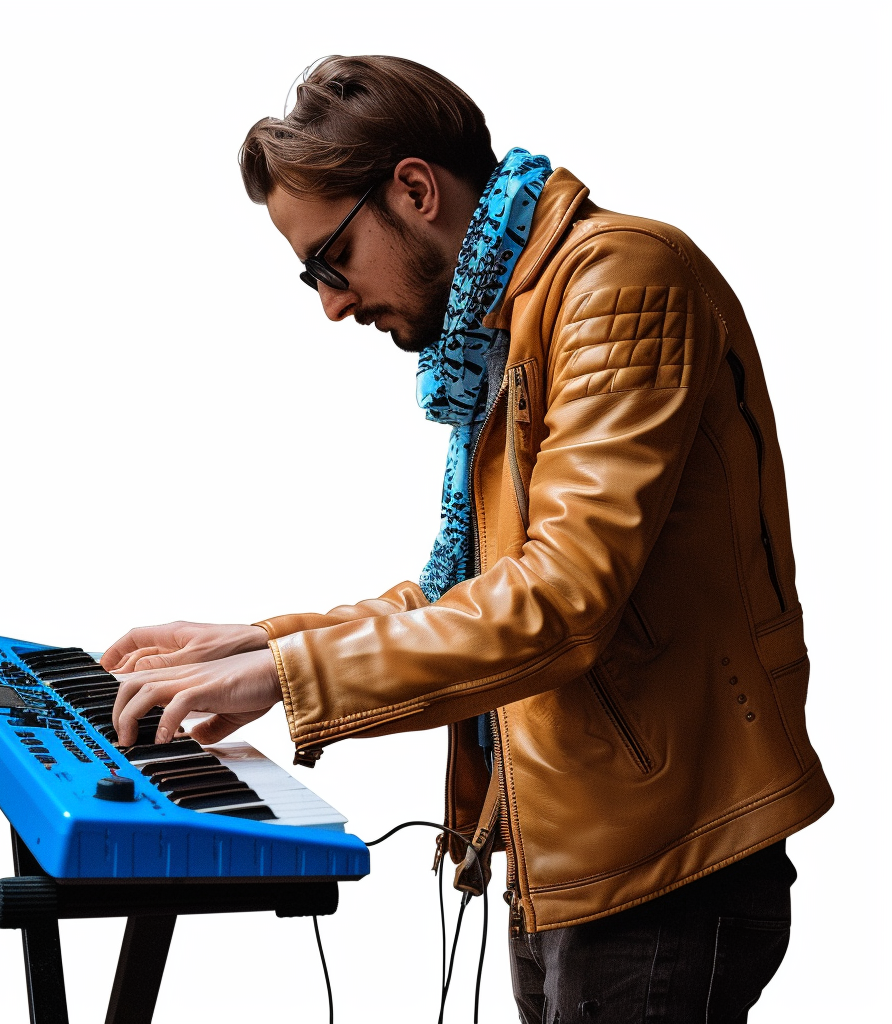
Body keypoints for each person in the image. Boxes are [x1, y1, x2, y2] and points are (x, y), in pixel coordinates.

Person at [105, 55, 833, 1022]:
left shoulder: (620, 282)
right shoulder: (504, 326)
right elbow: (476, 587)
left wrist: (286, 684)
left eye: (332, 261)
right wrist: (263, 642)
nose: (330, 304)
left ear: (414, 189)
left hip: (665, 864)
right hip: (571, 845)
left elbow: (557, 603)